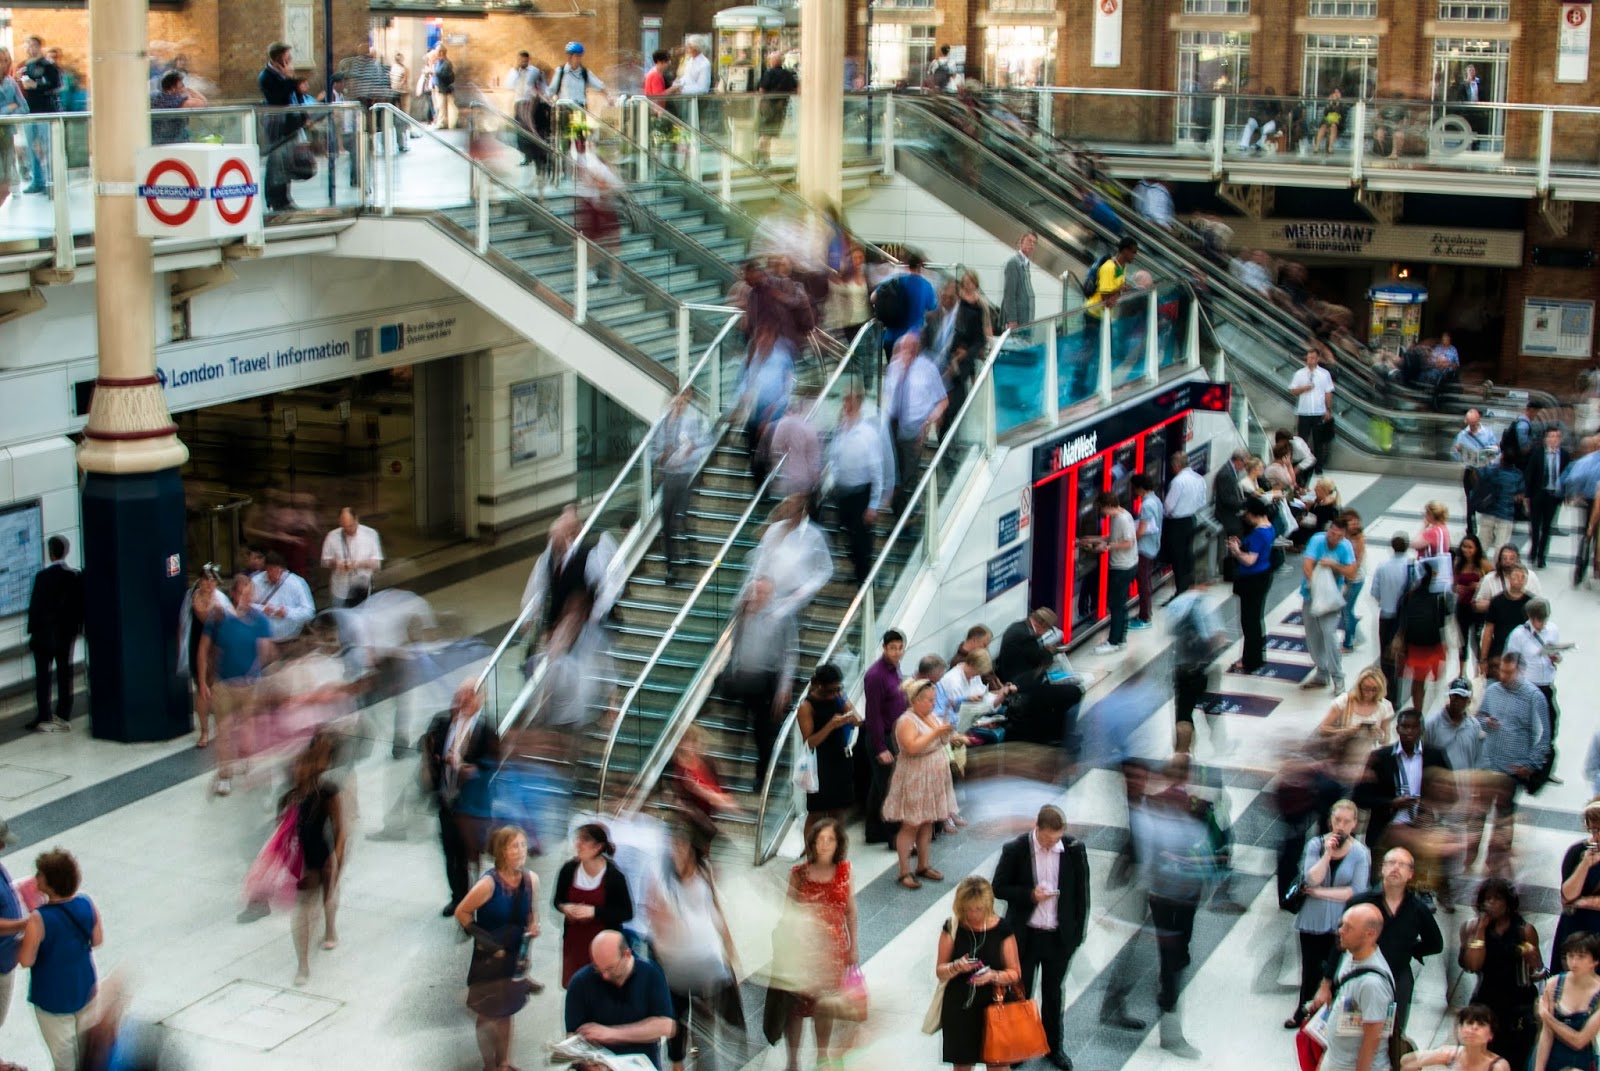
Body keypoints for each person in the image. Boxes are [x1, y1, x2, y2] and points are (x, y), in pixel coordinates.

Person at [991, 805, 1087, 1071]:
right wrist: (1030, 895)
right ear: (1037, 827)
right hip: (1026, 935)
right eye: (1047, 838)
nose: (1051, 843)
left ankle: (1053, 1046)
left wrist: (1076, 936)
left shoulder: (1074, 849)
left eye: (1056, 838)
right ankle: (1019, 1047)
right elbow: (998, 887)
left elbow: (1082, 896)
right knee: (1020, 993)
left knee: (1053, 994)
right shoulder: (1016, 850)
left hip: (1058, 937)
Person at [1322, 848, 1443, 1041]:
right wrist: (1327, 982)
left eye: (1402, 865)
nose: (1396, 868)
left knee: (1392, 1035)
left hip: (1397, 977)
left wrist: (1410, 949)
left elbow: (1436, 944)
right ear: (1382, 868)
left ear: (1410, 873)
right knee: (1352, 1032)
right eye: (1391, 863)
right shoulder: (1361, 902)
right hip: (1359, 974)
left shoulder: (1418, 909)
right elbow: (1339, 943)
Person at [649, 824, 739, 1071]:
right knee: (675, 1014)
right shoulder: (662, 877)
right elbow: (654, 913)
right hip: (673, 961)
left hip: (705, 958)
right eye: (673, 846)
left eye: (682, 846)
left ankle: (703, 1058)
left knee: (704, 1014)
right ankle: (677, 1061)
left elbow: (716, 909)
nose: (677, 851)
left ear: (691, 849)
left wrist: (729, 950)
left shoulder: (704, 872)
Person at [456, 826, 541, 1071]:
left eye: (523, 845)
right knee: (487, 1013)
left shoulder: (530, 880)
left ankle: (503, 1062)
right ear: (501, 851)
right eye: (514, 846)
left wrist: (533, 928)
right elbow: (462, 912)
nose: (521, 851)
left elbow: (532, 915)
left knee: (507, 1012)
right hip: (489, 960)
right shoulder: (488, 884)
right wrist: (487, 942)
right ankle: (488, 1065)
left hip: (514, 958)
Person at [779, 818, 859, 1070]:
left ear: (839, 843)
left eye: (830, 839)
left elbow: (851, 913)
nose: (824, 845)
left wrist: (853, 946)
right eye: (820, 839)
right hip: (802, 951)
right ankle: (792, 1060)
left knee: (825, 1005)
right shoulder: (799, 874)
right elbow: (787, 913)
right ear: (812, 843)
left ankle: (821, 1055)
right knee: (795, 1008)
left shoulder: (845, 871)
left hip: (833, 951)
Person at [1288, 799, 1371, 1029]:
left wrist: (1319, 892)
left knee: (1333, 971)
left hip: (1340, 922)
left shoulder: (1360, 853)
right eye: (1337, 820)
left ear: (1354, 823)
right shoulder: (1316, 844)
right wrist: (1327, 854)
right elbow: (1311, 877)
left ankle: (1327, 1016)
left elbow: (1355, 891)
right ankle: (1302, 1011)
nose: (1341, 826)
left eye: (1346, 821)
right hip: (1312, 918)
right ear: (1330, 821)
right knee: (1309, 968)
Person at [18, 848, 102, 1071]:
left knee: (64, 1061)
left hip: (52, 997)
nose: (36, 878)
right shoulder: (87, 904)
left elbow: (26, 960)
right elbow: (97, 939)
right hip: (85, 987)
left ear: (49, 881)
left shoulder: (39, 918)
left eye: (39, 874)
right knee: (90, 1056)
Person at [423, 682, 501, 917]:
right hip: (447, 799)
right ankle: (457, 897)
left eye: (469, 695)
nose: (463, 700)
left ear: (479, 699)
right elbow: (428, 747)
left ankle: (473, 899)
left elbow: (494, 765)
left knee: (470, 854)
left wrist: (471, 769)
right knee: (450, 851)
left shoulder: (486, 730)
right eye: (460, 695)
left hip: (471, 806)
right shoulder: (443, 723)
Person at [1471, 652, 1551, 876]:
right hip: (1488, 764)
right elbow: (1478, 717)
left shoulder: (1533, 697)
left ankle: (1494, 862)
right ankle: (1470, 856)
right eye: (1501, 671)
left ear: (1520, 671)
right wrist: (1486, 722)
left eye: (1509, 672)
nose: (1503, 676)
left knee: (1503, 818)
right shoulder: (1493, 690)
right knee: (1477, 813)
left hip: (1511, 769)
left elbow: (1543, 735)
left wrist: (1531, 764)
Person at [197, 573, 275, 795]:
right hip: (224, 685)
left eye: (250, 594)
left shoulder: (259, 620)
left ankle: (247, 762)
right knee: (224, 731)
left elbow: (265, 651)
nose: (246, 598)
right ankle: (224, 775)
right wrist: (203, 681)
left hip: (251, 685)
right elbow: (203, 649)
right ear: (233, 594)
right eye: (242, 593)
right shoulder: (219, 618)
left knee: (249, 734)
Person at [934, 876, 1022, 1071]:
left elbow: (1015, 973)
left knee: (998, 1064)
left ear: (988, 905)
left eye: (978, 909)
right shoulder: (952, 928)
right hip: (960, 1007)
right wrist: (956, 966)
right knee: (962, 1064)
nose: (973, 914)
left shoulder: (1002, 930)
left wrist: (993, 975)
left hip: (995, 1005)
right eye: (968, 909)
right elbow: (940, 971)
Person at [1459, 878, 1543, 1071]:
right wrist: (1481, 929)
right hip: (1487, 999)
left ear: (1507, 903)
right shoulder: (1472, 928)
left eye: (1497, 899)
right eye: (1487, 899)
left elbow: (1537, 970)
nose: (1491, 904)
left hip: (1518, 1005)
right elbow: (1473, 964)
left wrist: (1532, 958)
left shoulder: (1524, 930)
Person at [722, 575, 798, 783]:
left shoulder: (781, 615)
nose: (760, 596)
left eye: (764, 592)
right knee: (736, 724)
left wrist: (784, 686)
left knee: (762, 732)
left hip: (767, 679)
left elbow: (790, 651)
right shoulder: (744, 612)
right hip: (743, 676)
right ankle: (732, 775)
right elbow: (735, 643)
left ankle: (762, 776)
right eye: (757, 592)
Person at [284, 731, 345, 987]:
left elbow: (340, 829)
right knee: (302, 911)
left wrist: (338, 859)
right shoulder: (289, 798)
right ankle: (303, 963)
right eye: (296, 766)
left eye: (303, 764)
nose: (299, 769)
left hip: (322, 854)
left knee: (328, 897)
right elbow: (282, 836)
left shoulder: (327, 792)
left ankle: (331, 926)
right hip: (302, 861)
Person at [564, 930, 676, 1070]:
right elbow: (572, 1036)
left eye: (611, 968)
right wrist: (587, 1063)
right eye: (598, 968)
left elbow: (666, 1026)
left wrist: (611, 1034)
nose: (604, 976)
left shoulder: (650, 973)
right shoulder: (580, 982)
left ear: (627, 955)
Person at [884, 678, 958, 890]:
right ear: (915, 700)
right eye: (928, 700)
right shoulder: (906, 720)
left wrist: (948, 732)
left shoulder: (931, 716)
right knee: (911, 824)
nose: (933, 704)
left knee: (927, 821)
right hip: (915, 776)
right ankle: (904, 870)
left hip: (933, 775)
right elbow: (911, 748)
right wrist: (936, 733)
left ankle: (923, 865)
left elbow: (940, 740)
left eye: (934, 700)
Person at [1305, 902, 1394, 1071]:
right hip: (1335, 1060)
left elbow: (1371, 1041)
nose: (1340, 931)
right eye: (1342, 925)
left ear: (1370, 934)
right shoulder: (1349, 955)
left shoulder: (1372, 984)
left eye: (1349, 928)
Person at [554, 824, 635, 989]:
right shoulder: (569, 870)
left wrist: (594, 912)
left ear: (598, 846)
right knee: (576, 987)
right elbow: (557, 900)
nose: (578, 844)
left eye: (585, 840)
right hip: (575, 943)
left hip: (604, 947)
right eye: (578, 839)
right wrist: (565, 908)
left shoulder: (614, 876)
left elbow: (626, 912)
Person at [827, 386, 891, 586]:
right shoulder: (842, 429)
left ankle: (865, 578)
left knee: (861, 539)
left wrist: (873, 504)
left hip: (861, 492)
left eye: (849, 400)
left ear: (858, 403)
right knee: (847, 534)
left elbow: (876, 470)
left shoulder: (867, 433)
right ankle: (857, 572)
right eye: (844, 400)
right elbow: (835, 457)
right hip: (843, 491)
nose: (845, 404)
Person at [883, 332, 949, 506]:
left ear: (916, 349)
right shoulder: (893, 367)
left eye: (909, 348)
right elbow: (887, 396)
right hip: (892, 426)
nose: (905, 352)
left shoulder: (928, 369)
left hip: (915, 429)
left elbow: (943, 401)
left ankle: (907, 512)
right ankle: (901, 511)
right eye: (903, 348)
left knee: (908, 476)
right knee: (894, 474)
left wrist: (929, 421)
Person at [26, 535, 83, 734]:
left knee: (43, 677)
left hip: (44, 636)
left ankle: (44, 715)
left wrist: (32, 632)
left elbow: (35, 609)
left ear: (50, 553)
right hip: (66, 635)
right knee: (64, 673)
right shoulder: (73, 577)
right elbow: (78, 607)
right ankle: (63, 713)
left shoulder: (42, 578)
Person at [652, 388, 712, 579]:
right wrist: (660, 457)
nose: (679, 405)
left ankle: (690, 550)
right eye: (676, 401)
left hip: (686, 474)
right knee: (667, 521)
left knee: (683, 515)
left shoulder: (693, 420)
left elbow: (706, 442)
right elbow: (652, 448)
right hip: (669, 475)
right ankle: (671, 566)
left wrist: (690, 453)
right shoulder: (662, 423)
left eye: (683, 402)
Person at [797, 664, 859, 836]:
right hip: (819, 764)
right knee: (815, 813)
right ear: (820, 686)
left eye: (837, 688)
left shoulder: (838, 697)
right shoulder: (807, 707)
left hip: (840, 758)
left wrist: (847, 708)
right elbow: (809, 742)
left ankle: (836, 855)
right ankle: (812, 859)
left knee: (838, 811)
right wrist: (831, 725)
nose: (834, 693)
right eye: (831, 689)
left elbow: (858, 720)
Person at [1301, 515, 1360, 694]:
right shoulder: (1317, 540)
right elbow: (1307, 564)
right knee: (1313, 636)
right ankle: (1321, 671)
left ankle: (1337, 676)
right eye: (1331, 533)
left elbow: (1351, 572)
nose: (1332, 538)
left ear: (1343, 536)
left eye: (1337, 535)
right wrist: (1315, 585)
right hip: (1311, 596)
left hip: (1331, 600)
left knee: (1329, 635)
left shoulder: (1345, 547)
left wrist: (1334, 565)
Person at [861, 629, 906, 847]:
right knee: (889, 788)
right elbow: (874, 714)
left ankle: (873, 831)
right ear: (884, 648)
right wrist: (880, 747)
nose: (897, 652)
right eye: (892, 648)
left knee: (877, 786)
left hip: (893, 735)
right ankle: (894, 837)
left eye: (900, 648)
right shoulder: (875, 675)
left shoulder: (894, 669)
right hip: (881, 737)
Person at [1534, 931, 1600, 1071]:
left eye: (1581, 957)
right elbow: (1546, 1034)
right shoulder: (1553, 983)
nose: (1574, 963)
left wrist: (1547, 1017)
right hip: (1553, 1057)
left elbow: (1580, 1041)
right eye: (1570, 956)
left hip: (1583, 1062)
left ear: (1595, 961)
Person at [1227, 499, 1277, 672]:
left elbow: (1249, 560)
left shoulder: (1259, 534)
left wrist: (1236, 551)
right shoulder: (1269, 527)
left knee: (1249, 621)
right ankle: (1253, 657)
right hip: (1263, 576)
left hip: (1253, 579)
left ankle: (1250, 660)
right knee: (1255, 620)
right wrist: (1241, 546)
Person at [1397, 560, 1451, 714]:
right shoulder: (1439, 596)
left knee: (1418, 680)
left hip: (1415, 645)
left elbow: (1403, 620)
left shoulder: (1410, 595)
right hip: (1433, 644)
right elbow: (1444, 620)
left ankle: (1418, 711)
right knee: (1435, 679)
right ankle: (1430, 710)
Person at [1090, 491, 1139, 655]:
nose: (1101, 513)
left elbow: (1128, 542)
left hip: (1122, 568)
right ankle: (1120, 639)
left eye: (1101, 508)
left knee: (1116, 606)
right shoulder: (1123, 516)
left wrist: (1107, 547)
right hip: (1128, 565)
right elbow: (1114, 537)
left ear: (1107, 506)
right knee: (1121, 605)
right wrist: (1095, 539)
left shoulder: (1122, 519)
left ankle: (1113, 642)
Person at [1370, 534, 1416, 705]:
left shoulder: (1383, 567)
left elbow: (1375, 592)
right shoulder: (1412, 566)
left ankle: (1389, 696)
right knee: (1403, 657)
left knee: (1387, 658)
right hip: (1407, 618)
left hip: (1387, 616)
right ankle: (1404, 693)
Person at [1401, 1005, 1512, 1070]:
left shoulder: (1498, 1066)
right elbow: (1405, 1062)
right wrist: (1435, 1056)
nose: (1474, 1028)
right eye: (1469, 1023)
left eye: (1481, 1024)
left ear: (1491, 1035)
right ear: (1460, 1029)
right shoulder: (1451, 1053)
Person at [1523, 428, 1571, 570]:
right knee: (1535, 526)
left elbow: (1567, 476)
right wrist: (1527, 495)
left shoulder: (1564, 455)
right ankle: (1533, 551)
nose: (1554, 439)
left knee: (1547, 527)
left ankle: (1541, 556)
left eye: (1557, 436)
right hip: (1538, 494)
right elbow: (1529, 474)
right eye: (1551, 436)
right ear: (1546, 439)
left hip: (1553, 495)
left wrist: (1566, 494)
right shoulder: (1538, 453)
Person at [1163, 450, 1208, 597]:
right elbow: (1202, 501)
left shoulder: (1178, 482)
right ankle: (1189, 585)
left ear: (1176, 465)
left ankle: (1181, 590)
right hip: (1191, 520)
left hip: (1177, 523)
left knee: (1178, 558)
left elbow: (1168, 506)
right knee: (1188, 554)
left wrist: (1166, 515)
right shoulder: (1198, 478)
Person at [17, 36, 58, 195]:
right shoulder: (25, 67)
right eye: (27, 45)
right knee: (31, 148)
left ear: (40, 46)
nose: (30, 48)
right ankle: (37, 181)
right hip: (30, 111)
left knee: (48, 148)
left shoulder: (48, 65)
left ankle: (51, 181)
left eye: (33, 45)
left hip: (45, 110)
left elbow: (56, 85)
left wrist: (37, 85)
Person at [1477, 564, 1531, 681]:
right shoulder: (1497, 601)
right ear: (1509, 578)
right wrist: (1483, 658)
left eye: (1523, 577)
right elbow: (1488, 630)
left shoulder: (1530, 603)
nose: (1519, 580)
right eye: (1516, 576)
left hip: (1522, 655)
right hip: (1498, 652)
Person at [320, 507, 382, 609]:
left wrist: (358, 564)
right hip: (340, 588)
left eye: (350, 526)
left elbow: (376, 563)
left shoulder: (370, 534)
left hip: (362, 587)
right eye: (344, 527)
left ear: (356, 519)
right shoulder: (332, 536)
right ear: (340, 523)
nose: (348, 529)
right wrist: (337, 564)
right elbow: (325, 561)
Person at [1290, 348, 1336, 474]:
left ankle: (1318, 467)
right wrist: (1303, 389)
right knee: (1302, 440)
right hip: (1304, 412)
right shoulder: (1299, 373)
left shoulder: (1324, 374)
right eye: (1308, 358)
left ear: (1317, 359)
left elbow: (1328, 392)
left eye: (1312, 358)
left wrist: (1328, 409)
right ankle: (1302, 465)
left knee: (1318, 442)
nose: (1309, 360)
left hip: (1318, 412)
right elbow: (1293, 390)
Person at [1454, 410, 1500, 534]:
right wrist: (1458, 451)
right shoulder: (1462, 435)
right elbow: (1455, 454)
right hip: (1470, 470)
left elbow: (1496, 449)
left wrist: (1489, 452)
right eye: (1470, 423)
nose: (1472, 426)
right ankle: (1471, 528)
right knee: (1470, 500)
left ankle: (1491, 529)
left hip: (1485, 470)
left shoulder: (1487, 433)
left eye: (1474, 423)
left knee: (1488, 500)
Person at [1132, 473, 1166, 630]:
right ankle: (1146, 613)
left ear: (1139, 488)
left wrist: (1129, 539)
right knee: (1145, 581)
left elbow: (1142, 530)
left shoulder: (1146, 505)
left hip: (1144, 548)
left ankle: (1144, 617)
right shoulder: (1156, 500)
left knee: (1143, 582)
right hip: (1153, 546)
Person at [1474, 453, 1525, 555]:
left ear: (1501, 459)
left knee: (1483, 544)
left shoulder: (1491, 470)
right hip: (1506, 514)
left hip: (1489, 511)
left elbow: (1477, 474)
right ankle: (1498, 569)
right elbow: (1520, 496)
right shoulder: (1517, 475)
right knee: (1501, 547)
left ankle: (1480, 566)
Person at [1454, 535, 1491, 674]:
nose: (1467, 550)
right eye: (1464, 546)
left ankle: (1479, 671)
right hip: (1462, 606)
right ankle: (1461, 673)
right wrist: (1456, 588)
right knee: (1461, 641)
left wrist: (1480, 585)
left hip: (1477, 608)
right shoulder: (1459, 564)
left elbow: (1493, 579)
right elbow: (1452, 583)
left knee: (1477, 640)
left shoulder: (1483, 564)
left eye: (1470, 547)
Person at [755, 51, 797, 166]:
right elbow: (795, 89)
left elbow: (762, 90)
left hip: (768, 106)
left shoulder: (769, 73)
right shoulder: (787, 75)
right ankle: (765, 158)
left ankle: (760, 156)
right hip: (780, 106)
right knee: (769, 133)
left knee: (764, 133)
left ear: (772, 61)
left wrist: (760, 103)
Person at [1000, 232, 1037, 331]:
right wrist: (1012, 320)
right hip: (1017, 321)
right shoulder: (1013, 263)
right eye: (1029, 241)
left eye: (1034, 243)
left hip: (1025, 318)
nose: (1032, 245)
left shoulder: (1025, 263)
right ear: (1021, 242)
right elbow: (1009, 294)